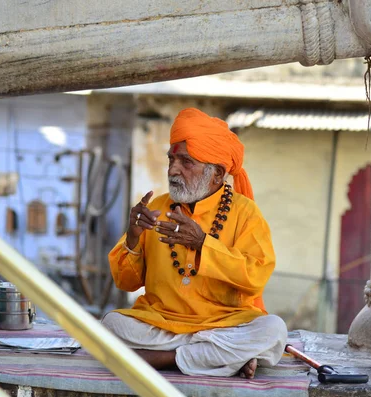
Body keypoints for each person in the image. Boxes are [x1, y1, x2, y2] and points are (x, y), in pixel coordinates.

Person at [103, 108, 287, 379]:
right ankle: (220, 358)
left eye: (186, 162)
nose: (173, 170)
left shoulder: (245, 213)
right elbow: (126, 283)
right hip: (162, 323)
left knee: (273, 330)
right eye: (172, 159)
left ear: (217, 174)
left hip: (224, 324)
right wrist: (132, 237)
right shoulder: (155, 208)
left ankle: (166, 359)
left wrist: (203, 244)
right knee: (111, 324)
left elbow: (255, 277)